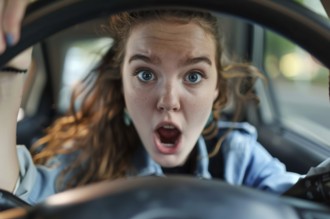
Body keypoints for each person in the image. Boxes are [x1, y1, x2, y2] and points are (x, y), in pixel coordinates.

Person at [0, 1, 301, 205]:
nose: (168, 101)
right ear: (122, 88)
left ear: (216, 90)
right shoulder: (86, 165)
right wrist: (9, 70)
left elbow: (312, 204)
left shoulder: (241, 159)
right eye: (145, 74)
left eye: (194, 76)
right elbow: (10, 195)